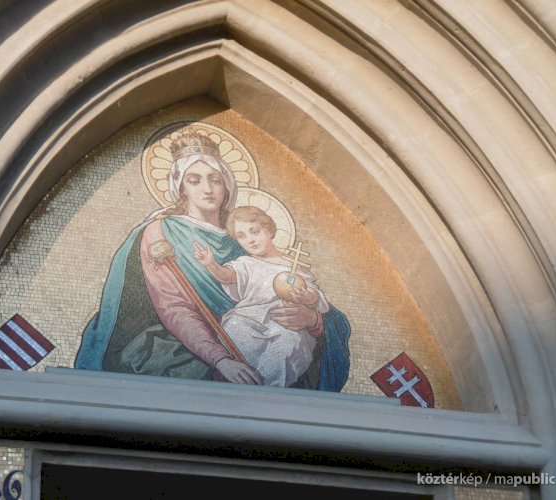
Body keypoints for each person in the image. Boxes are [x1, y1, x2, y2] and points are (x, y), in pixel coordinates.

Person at [74, 130, 350, 390]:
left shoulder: (245, 237)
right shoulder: (162, 233)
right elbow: (174, 307)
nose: (208, 189)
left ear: (227, 185)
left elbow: (303, 294)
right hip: (195, 344)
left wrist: (313, 320)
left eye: (215, 180)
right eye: (194, 180)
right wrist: (221, 359)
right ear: (181, 187)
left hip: (267, 339)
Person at [193, 206, 329, 387]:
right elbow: (227, 276)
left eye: (255, 231)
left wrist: (307, 298)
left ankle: (269, 389)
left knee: (287, 344)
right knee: (234, 328)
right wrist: (211, 264)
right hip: (248, 319)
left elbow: (313, 295)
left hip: (283, 324)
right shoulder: (246, 263)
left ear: (269, 230)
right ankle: (243, 383)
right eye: (241, 236)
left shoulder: (294, 266)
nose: (250, 240)